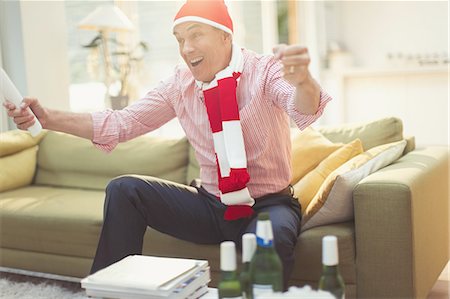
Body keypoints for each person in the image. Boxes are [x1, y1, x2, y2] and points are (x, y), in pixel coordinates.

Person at [3, 0, 331, 289]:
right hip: (211, 206)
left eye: (196, 35)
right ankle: (112, 291)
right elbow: (121, 122)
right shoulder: (179, 84)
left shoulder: (265, 72)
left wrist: (303, 80)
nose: (186, 48)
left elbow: (300, 107)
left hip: (267, 205)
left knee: (267, 242)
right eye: (180, 39)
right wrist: (47, 119)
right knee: (125, 190)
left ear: (225, 35)